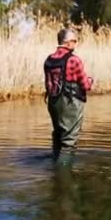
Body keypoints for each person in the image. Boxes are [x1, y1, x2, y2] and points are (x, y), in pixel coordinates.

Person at [44, 28, 94, 164]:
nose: (76, 44)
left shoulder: (49, 59)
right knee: (68, 143)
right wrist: (91, 80)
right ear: (68, 42)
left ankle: (54, 166)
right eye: (75, 41)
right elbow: (85, 85)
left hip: (53, 103)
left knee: (58, 136)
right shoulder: (74, 60)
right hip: (70, 105)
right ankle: (63, 178)